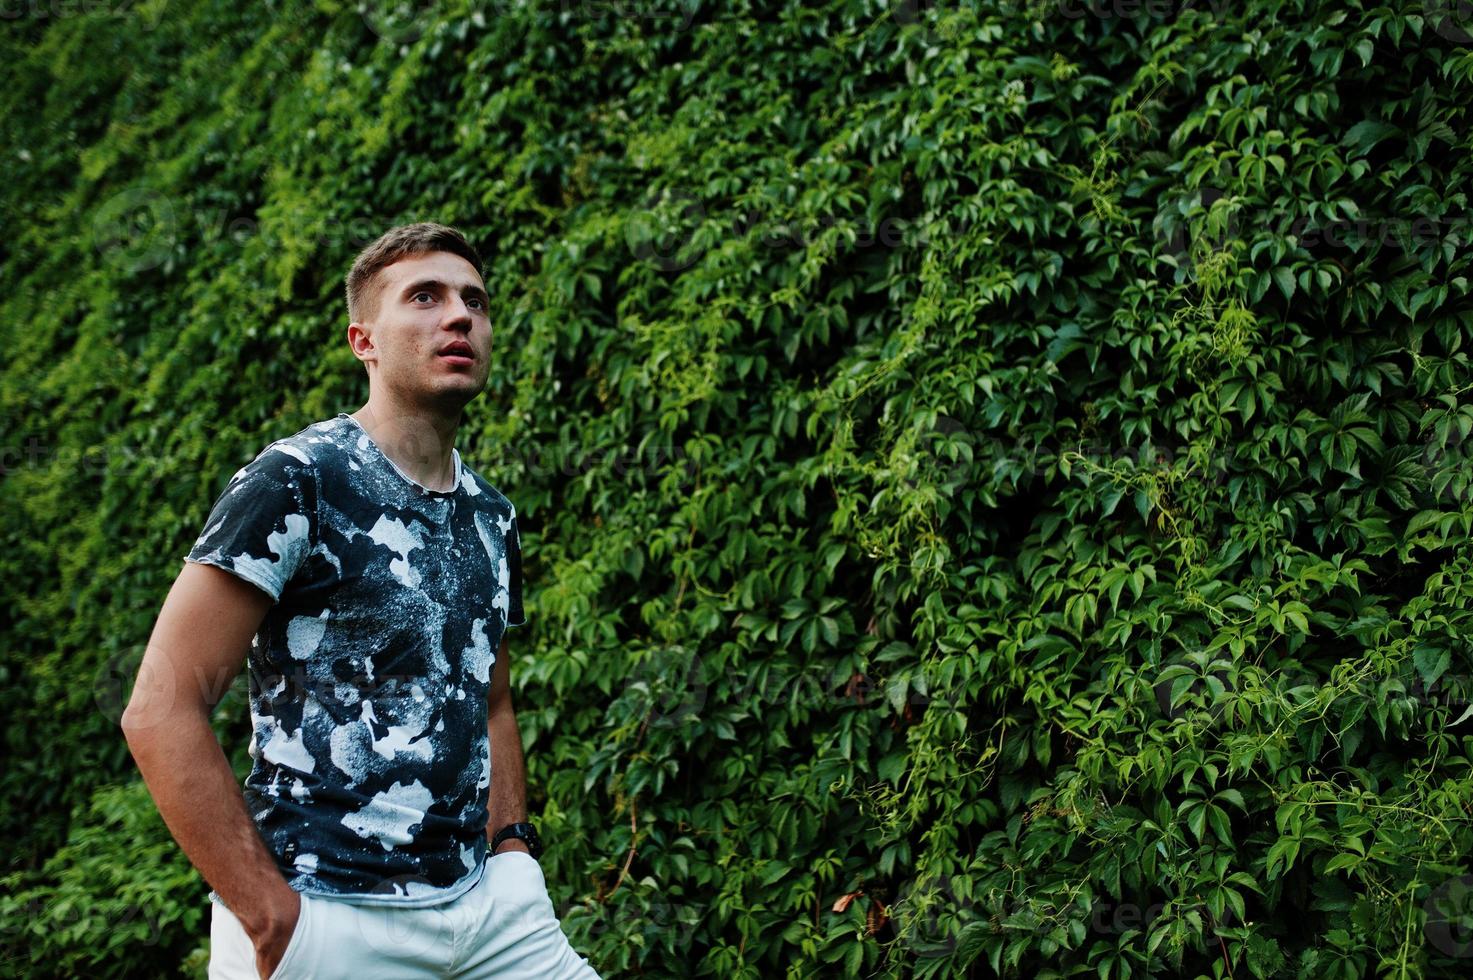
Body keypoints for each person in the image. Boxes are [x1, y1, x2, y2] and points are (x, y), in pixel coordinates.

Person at [121, 222, 600, 979]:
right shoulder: (297, 481)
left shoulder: (490, 513)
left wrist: (512, 850)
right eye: (425, 297)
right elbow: (159, 704)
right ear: (362, 340)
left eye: (474, 300)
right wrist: (267, 913)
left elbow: (492, 696)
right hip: (326, 909)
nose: (459, 316)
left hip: (488, 909)